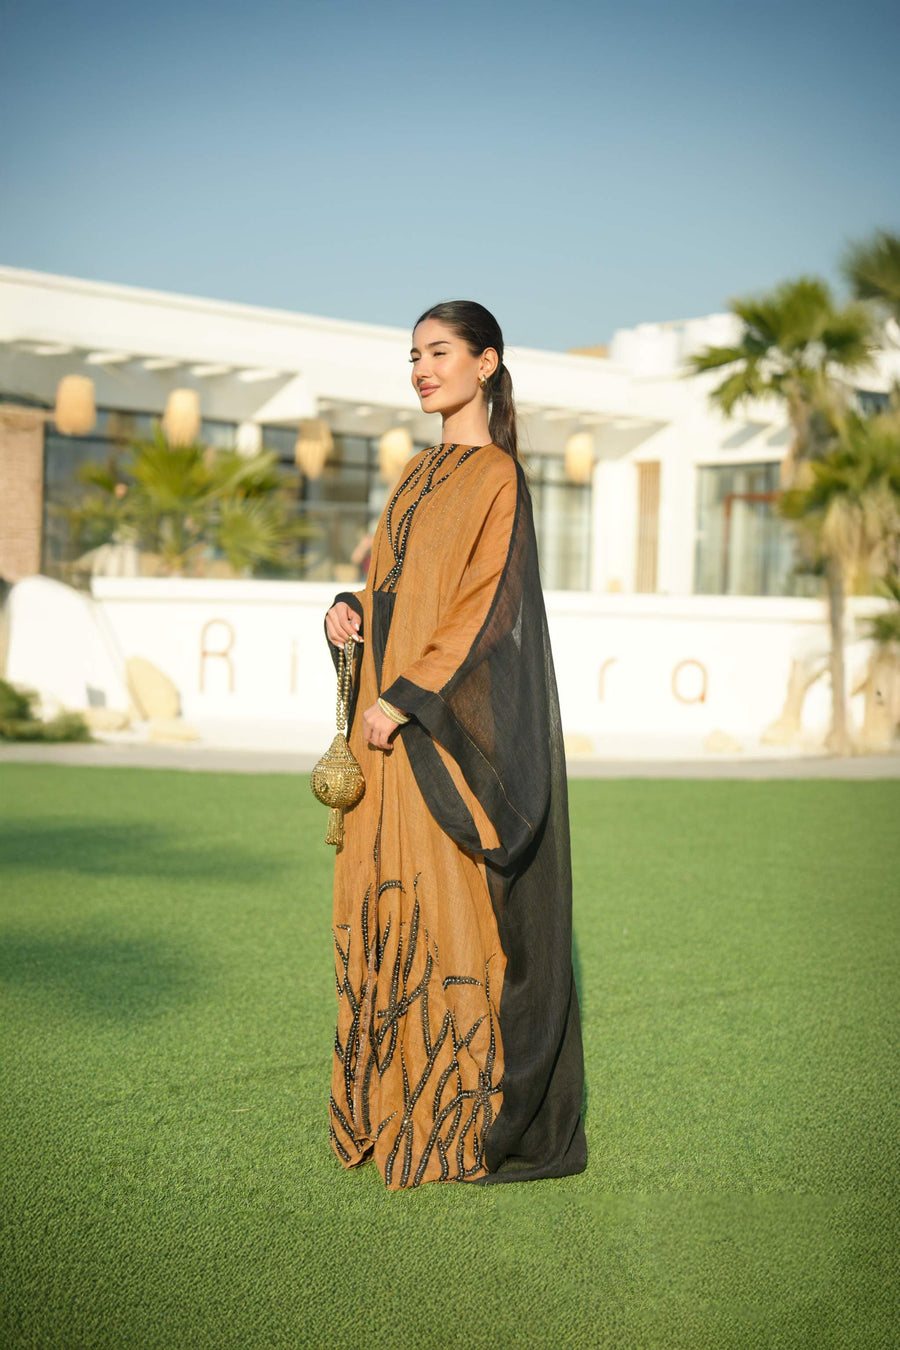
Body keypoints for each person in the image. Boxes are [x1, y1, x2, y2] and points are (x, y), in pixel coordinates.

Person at [323, 300, 587, 1189]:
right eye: (412, 355)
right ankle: (380, 1111)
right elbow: (402, 588)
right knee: (376, 905)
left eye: (438, 352)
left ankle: (450, 1123)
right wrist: (353, 613)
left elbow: (484, 613)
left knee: (443, 915)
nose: (421, 368)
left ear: (487, 362)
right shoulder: (412, 473)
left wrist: (404, 698)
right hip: (383, 730)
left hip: (427, 734)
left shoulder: (497, 477)